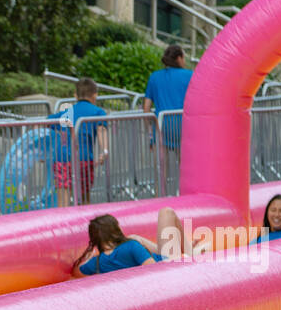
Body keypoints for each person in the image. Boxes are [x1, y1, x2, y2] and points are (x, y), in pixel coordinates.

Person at [69, 208, 190, 277]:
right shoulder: (130, 246)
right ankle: (192, 252)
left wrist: (88, 257)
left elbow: (75, 273)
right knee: (166, 212)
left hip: (161, 258)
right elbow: (155, 269)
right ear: (115, 230)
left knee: (136, 238)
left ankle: (191, 248)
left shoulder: (97, 262)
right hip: (168, 263)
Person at [48, 77, 109, 206]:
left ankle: (62, 224)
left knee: (63, 203)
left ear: (75, 96)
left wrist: (42, 151)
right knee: (84, 199)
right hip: (83, 159)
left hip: (62, 159)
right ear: (95, 95)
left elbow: (44, 123)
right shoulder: (98, 112)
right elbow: (101, 130)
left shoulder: (67, 112)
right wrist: (104, 151)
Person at [143, 45, 193, 179]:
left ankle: (161, 197)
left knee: (161, 170)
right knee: (186, 169)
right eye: (184, 58)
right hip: (183, 127)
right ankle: (186, 198)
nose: (185, 61)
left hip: (161, 127)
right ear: (178, 58)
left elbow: (146, 107)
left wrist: (149, 132)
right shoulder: (190, 75)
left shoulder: (154, 77)